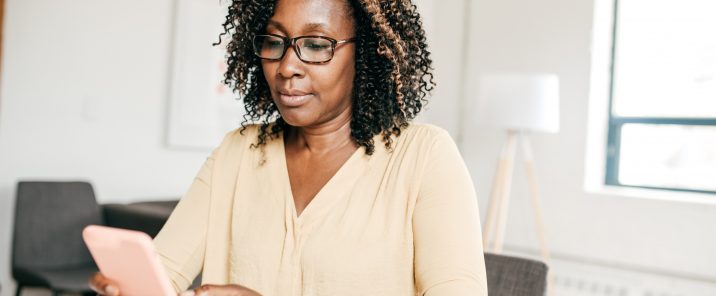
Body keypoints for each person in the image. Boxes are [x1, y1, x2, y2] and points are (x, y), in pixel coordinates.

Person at [90, 0, 488, 295]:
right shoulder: (239, 152)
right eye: (274, 42)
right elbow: (165, 270)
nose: (286, 67)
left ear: (367, 52)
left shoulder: (424, 157)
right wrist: (127, 287)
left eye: (316, 45)